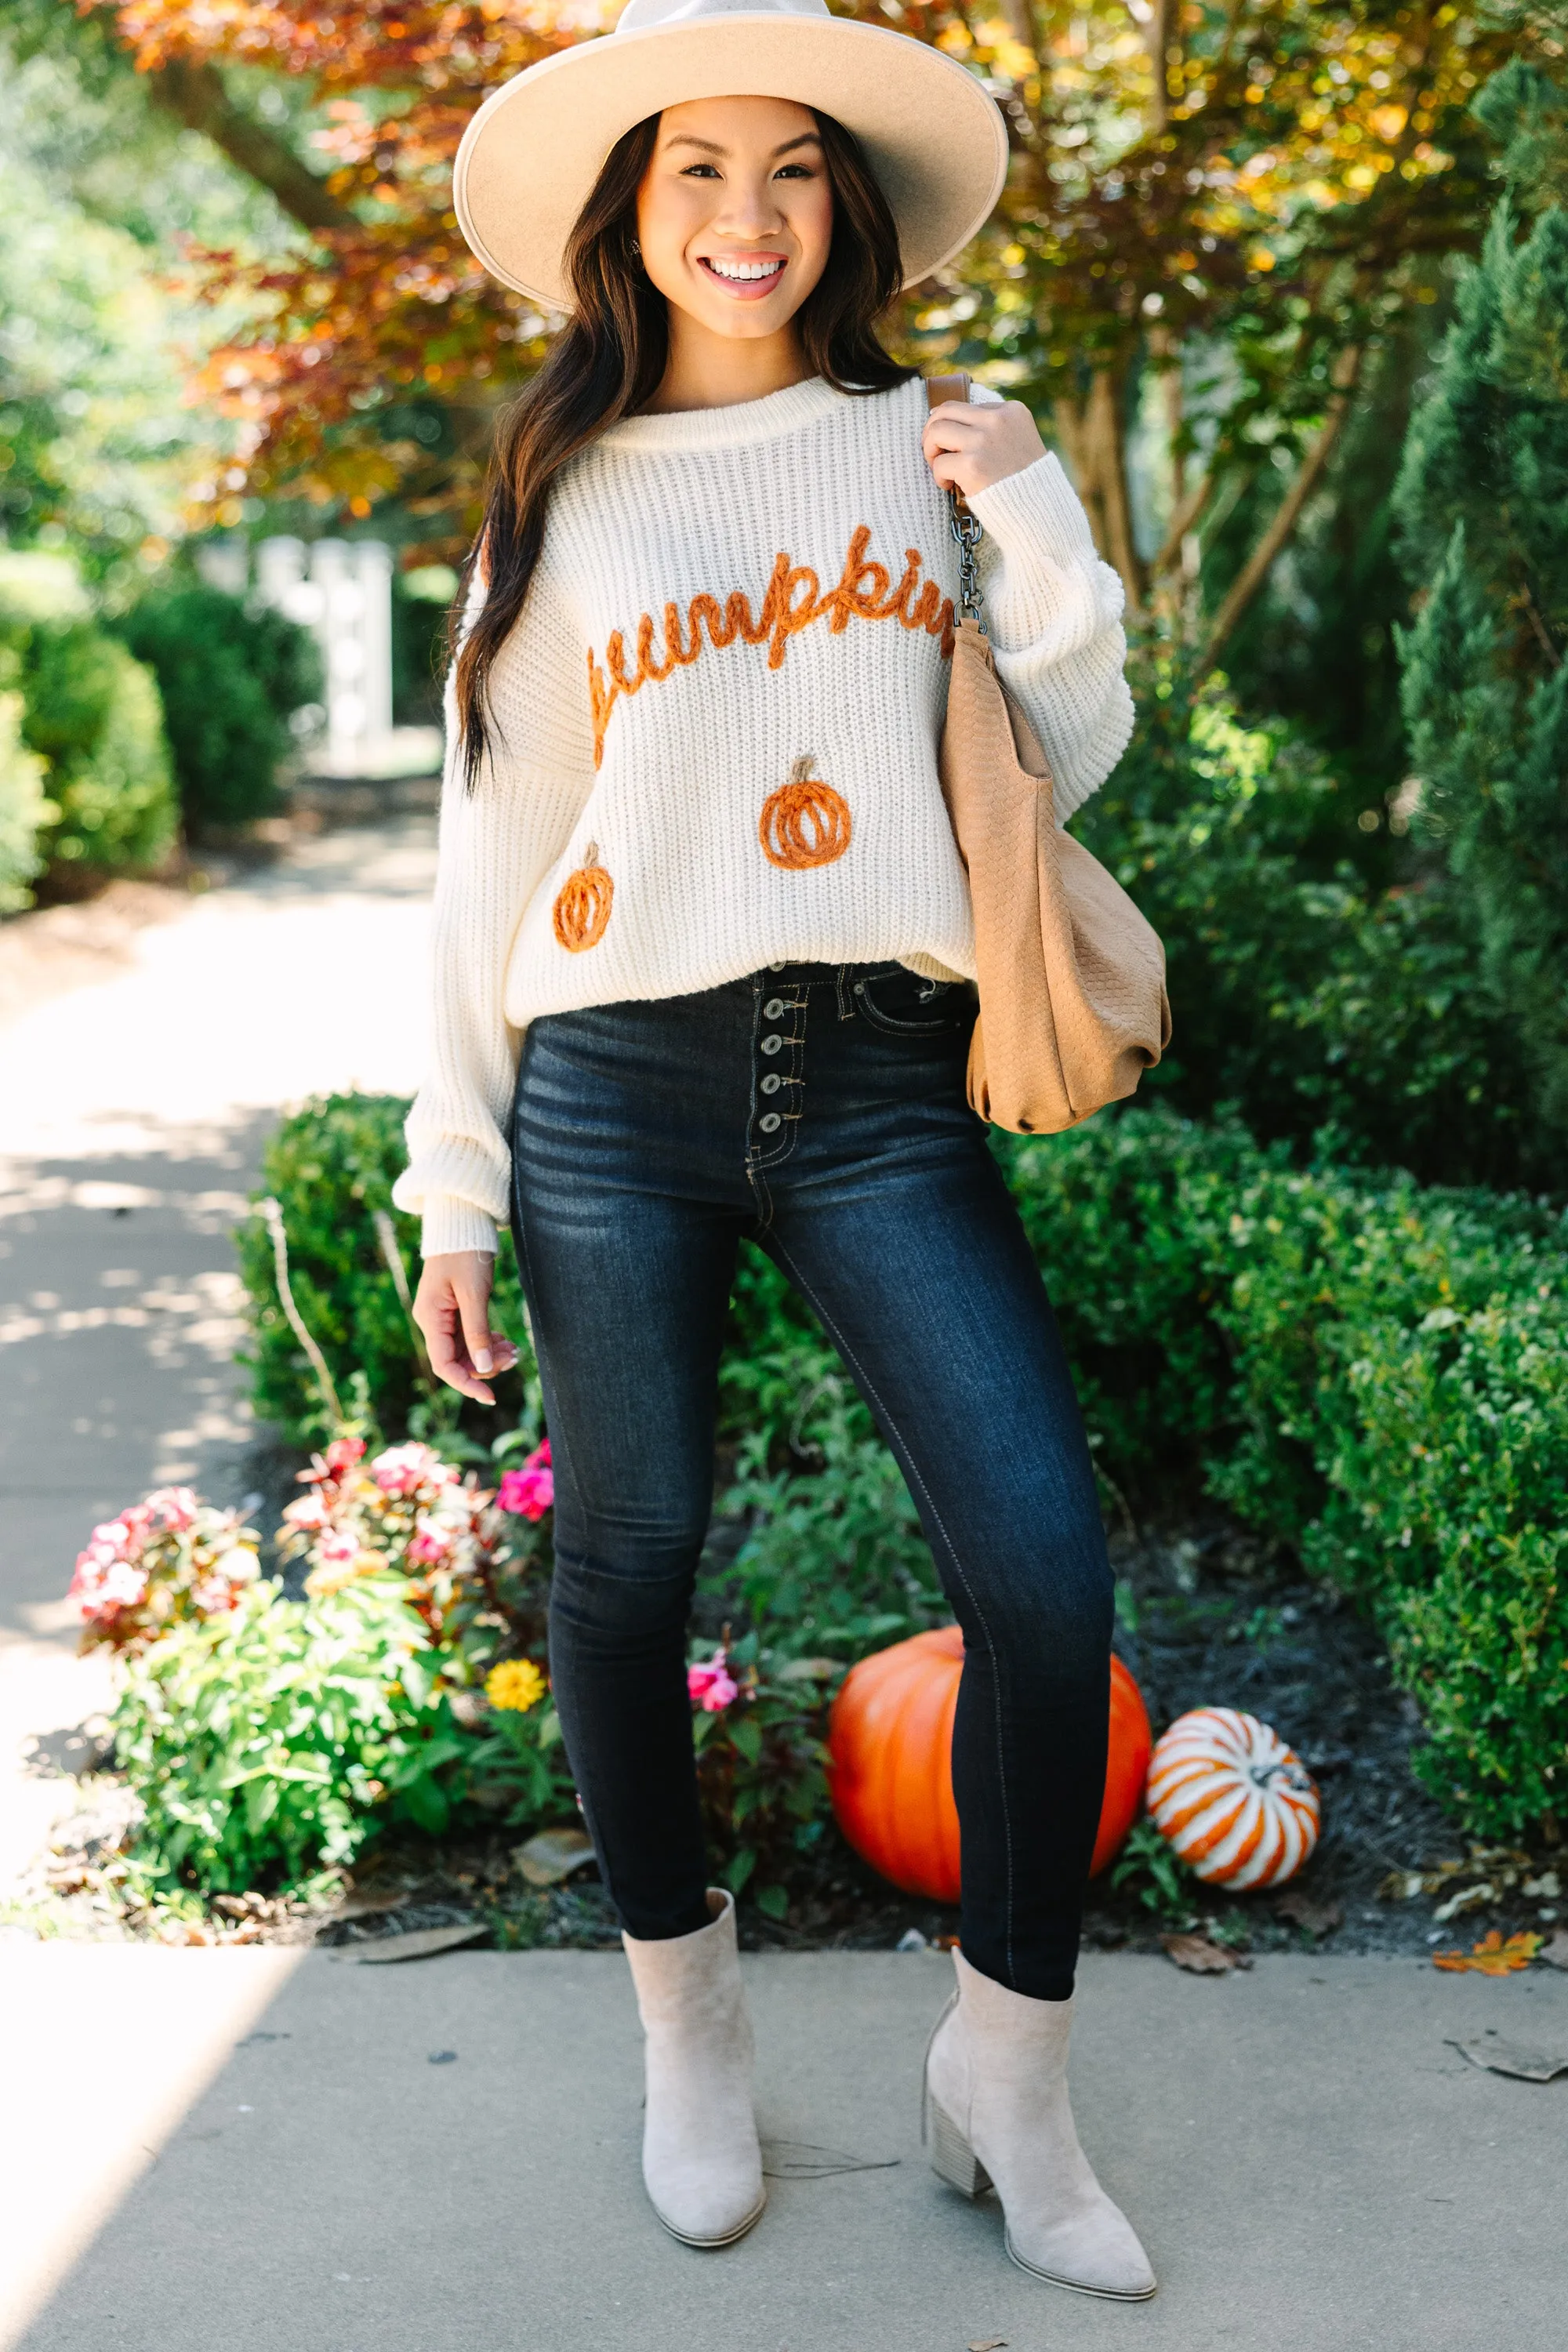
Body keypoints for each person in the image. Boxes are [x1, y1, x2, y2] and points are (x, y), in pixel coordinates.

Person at [397, 0, 1153, 2299]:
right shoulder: (569, 484)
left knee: (1042, 1577)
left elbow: (1080, 744)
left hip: (881, 1082)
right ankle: (689, 2031)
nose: (746, 215)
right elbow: (493, 839)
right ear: (634, 214)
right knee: (623, 1572)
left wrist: (1023, 500)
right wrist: (457, 1170)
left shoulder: (924, 447)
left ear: (854, 207)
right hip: (616, 1090)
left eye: (794, 168)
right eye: (696, 170)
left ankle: (1001, 2081)